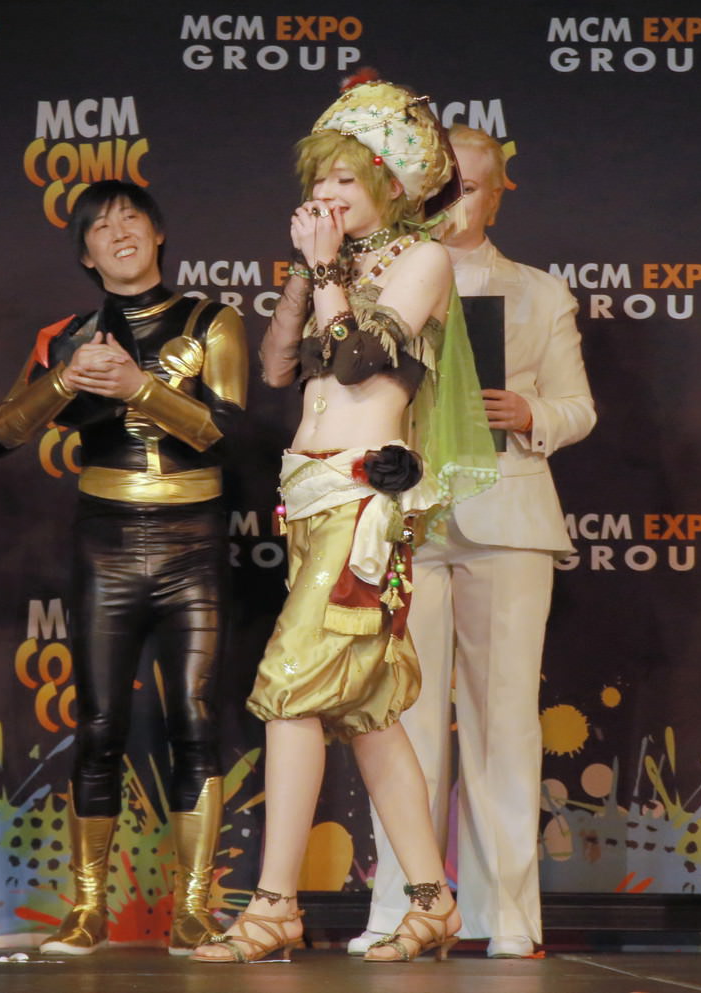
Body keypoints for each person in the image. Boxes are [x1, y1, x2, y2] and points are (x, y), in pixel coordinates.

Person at [192, 75, 495, 964]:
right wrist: (307, 271)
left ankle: (273, 907)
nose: (325, 193)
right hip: (311, 495)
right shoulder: (336, 264)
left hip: (364, 502)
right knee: (365, 710)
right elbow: (279, 368)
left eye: (344, 180)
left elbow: (360, 362)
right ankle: (433, 902)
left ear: (391, 185)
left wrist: (328, 270)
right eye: (318, 179)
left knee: (288, 692)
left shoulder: (423, 259)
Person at [348, 125, 595, 960]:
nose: (455, 202)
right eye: (442, 187)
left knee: (504, 723)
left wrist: (532, 414)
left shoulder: (539, 292)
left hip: (508, 513)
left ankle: (507, 916)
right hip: (409, 513)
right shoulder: (378, 281)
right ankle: (402, 908)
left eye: (472, 187)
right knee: (402, 722)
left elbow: (577, 405)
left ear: (497, 195)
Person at [0, 180, 246, 957]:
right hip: (105, 539)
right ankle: (87, 907)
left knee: (195, 719)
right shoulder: (68, 334)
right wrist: (65, 378)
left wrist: (142, 389)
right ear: (86, 254)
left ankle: (194, 910)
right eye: (100, 225)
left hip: (194, 538)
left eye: (132, 217)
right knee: (99, 723)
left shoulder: (211, 319)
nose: (119, 230)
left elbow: (230, 434)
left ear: (158, 233)